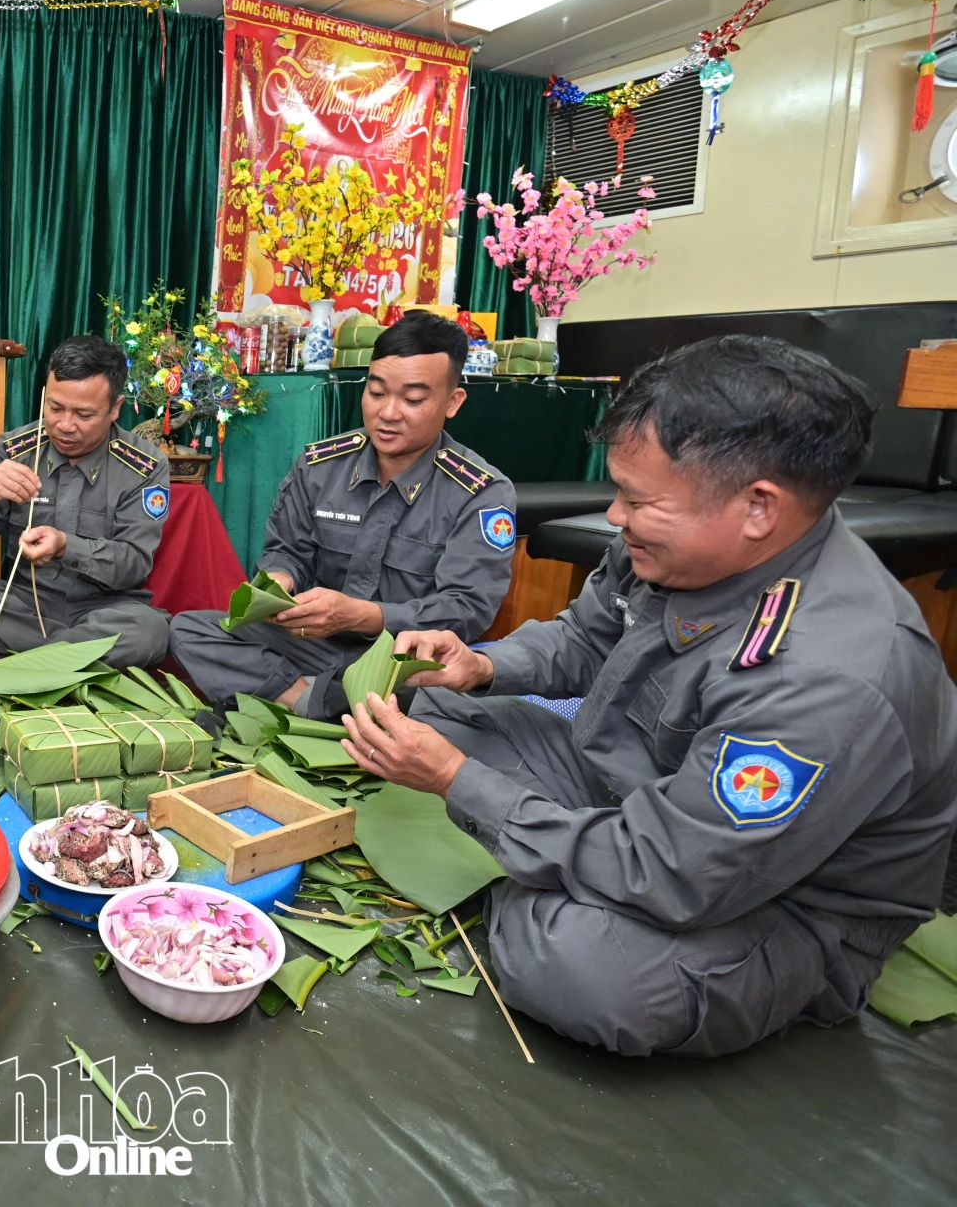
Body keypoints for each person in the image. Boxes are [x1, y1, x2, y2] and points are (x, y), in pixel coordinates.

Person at [339, 336, 957, 1057]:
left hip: (772, 903)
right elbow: (583, 639)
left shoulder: (828, 675)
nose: (614, 513)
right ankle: (549, 865)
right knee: (433, 704)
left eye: (637, 499)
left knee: (584, 972)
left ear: (759, 506)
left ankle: (533, 885)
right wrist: (476, 664)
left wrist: (455, 783)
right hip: (632, 794)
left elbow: (675, 869)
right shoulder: (678, 546)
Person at [170, 311, 515, 718]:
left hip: (400, 658)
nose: (388, 412)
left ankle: (303, 697)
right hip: (315, 643)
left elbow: (465, 609)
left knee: (444, 695)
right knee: (190, 629)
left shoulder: (481, 492)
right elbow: (286, 551)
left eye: (413, 399)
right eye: (376, 391)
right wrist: (279, 583)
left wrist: (364, 617)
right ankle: (311, 700)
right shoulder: (320, 465)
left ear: (452, 402)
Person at [0, 334, 171, 670]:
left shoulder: (144, 466)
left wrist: (64, 546)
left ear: (115, 409)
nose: (64, 425)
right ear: (45, 393)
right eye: (55, 407)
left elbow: (133, 563)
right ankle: (68, 664)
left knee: (149, 632)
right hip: (23, 606)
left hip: (104, 609)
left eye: (84, 414)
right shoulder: (14, 450)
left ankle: (0, 665)